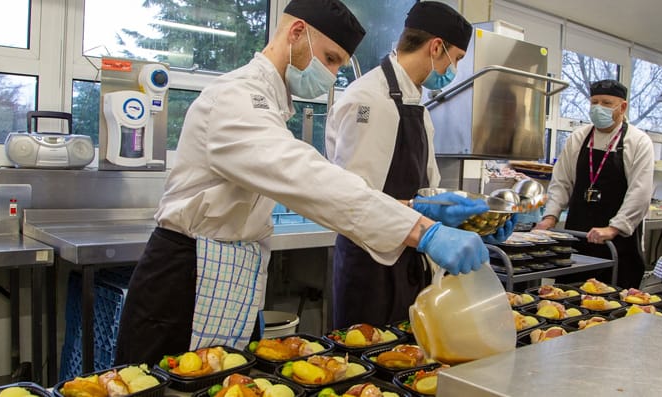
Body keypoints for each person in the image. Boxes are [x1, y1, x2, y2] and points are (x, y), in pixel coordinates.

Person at [114, 0, 491, 366]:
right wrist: (423, 231)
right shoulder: (234, 98)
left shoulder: (271, 104)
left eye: (338, 65)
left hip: (224, 275)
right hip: (185, 280)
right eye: (329, 59)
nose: (330, 74)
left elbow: (317, 183)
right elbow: (307, 176)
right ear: (296, 32)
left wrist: (420, 210)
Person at [324, 1, 515, 328]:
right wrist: (428, 222)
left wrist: (471, 226)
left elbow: (426, 193)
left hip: (409, 259)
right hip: (372, 270)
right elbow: (355, 204)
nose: (453, 69)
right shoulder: (369, 100)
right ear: (436, 47)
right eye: (455, 59)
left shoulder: (417, 105)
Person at [535, 79, 654, 289]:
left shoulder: (638, 141)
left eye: (607, 103)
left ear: (623, 107)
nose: (599, 108)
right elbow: (561, 182)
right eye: (594, 102)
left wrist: (614, 228)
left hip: (617, 243)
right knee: (569, 301)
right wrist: (550, 217)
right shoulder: (579, 137)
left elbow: (640, 192)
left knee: (616, 306)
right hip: (578, 240)